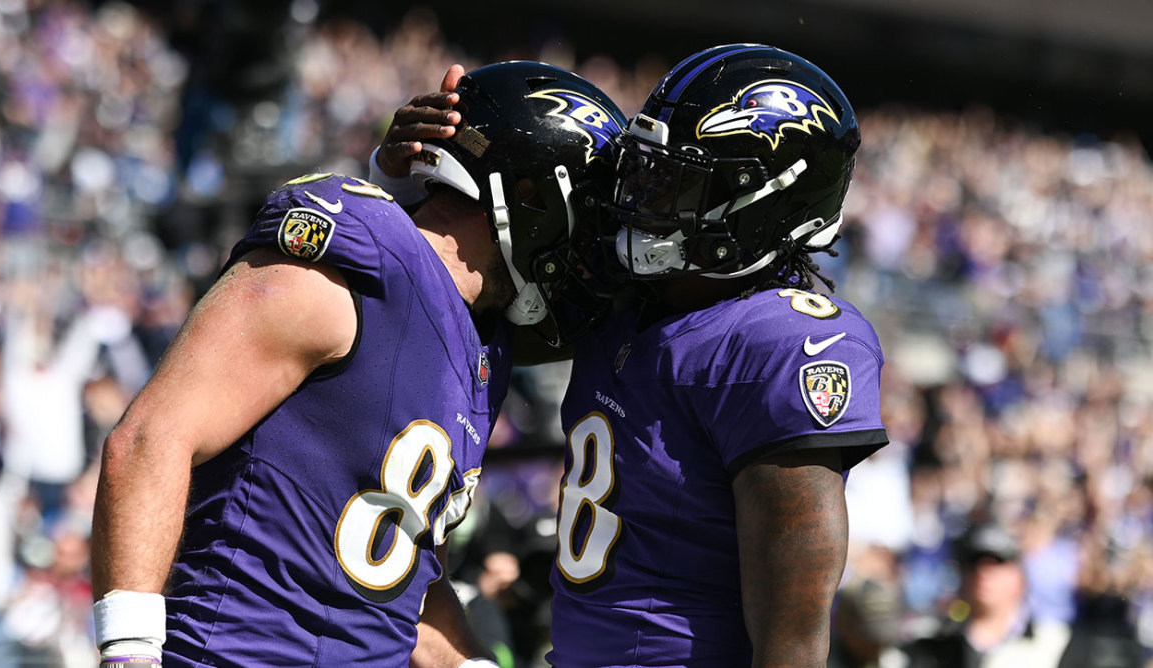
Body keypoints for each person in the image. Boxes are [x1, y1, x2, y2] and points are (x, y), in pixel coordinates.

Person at [89, 61, 623, 667]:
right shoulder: (360, 254)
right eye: (589, 218)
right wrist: (129, 649)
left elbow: (400, 581)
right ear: (529, 197)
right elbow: (151, 438)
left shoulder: (486, 345)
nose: (594, 251)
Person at [376, 44, 888, 668]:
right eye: (646, 169)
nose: (644, 195)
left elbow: (794, 638)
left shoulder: (782, 342)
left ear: (765, 203)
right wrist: (411, 180)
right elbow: (444, 316)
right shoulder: (624, 298)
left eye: (680, 181)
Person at [903, 520, 1072, 668]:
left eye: (997, 562)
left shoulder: (1054, 643)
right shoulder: (932, 649)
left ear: (1020, 577)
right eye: (974, 563)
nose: (983, 573)